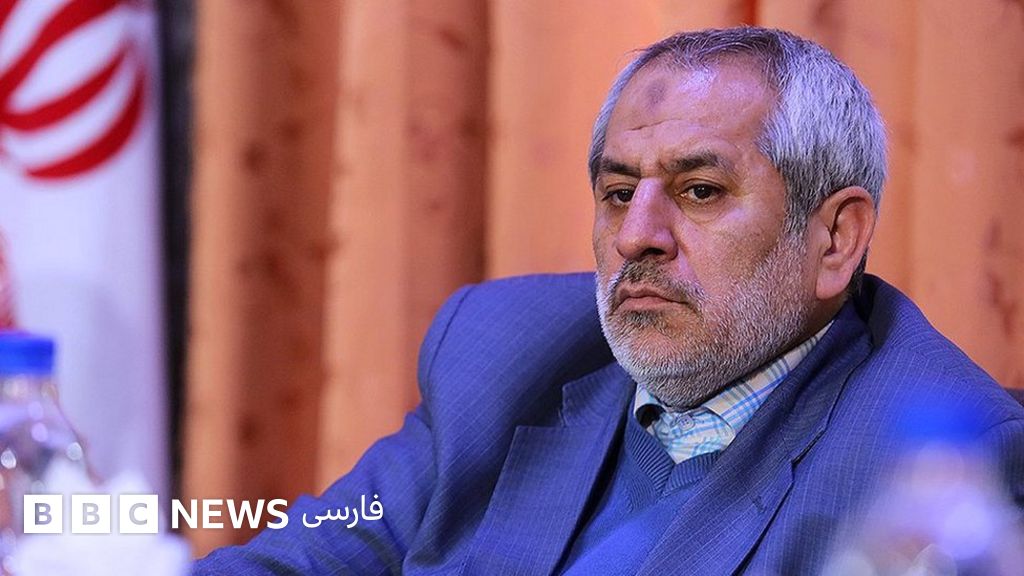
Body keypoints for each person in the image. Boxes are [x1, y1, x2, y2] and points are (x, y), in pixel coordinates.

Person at [193, 27, 1024, 575]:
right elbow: (308, 558)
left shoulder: (932, 470)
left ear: (835, 238)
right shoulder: (502, 353)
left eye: (700, 191)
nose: (636, 237)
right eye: (619, 193)